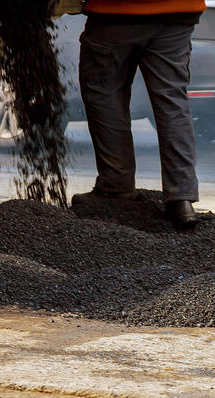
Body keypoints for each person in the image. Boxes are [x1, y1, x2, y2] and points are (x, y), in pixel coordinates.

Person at [74, 0, 205, 229]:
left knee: (104, 93)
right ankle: (181, 199)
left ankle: (115, 187)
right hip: (178, 11)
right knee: (171, 101)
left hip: (116, 11)